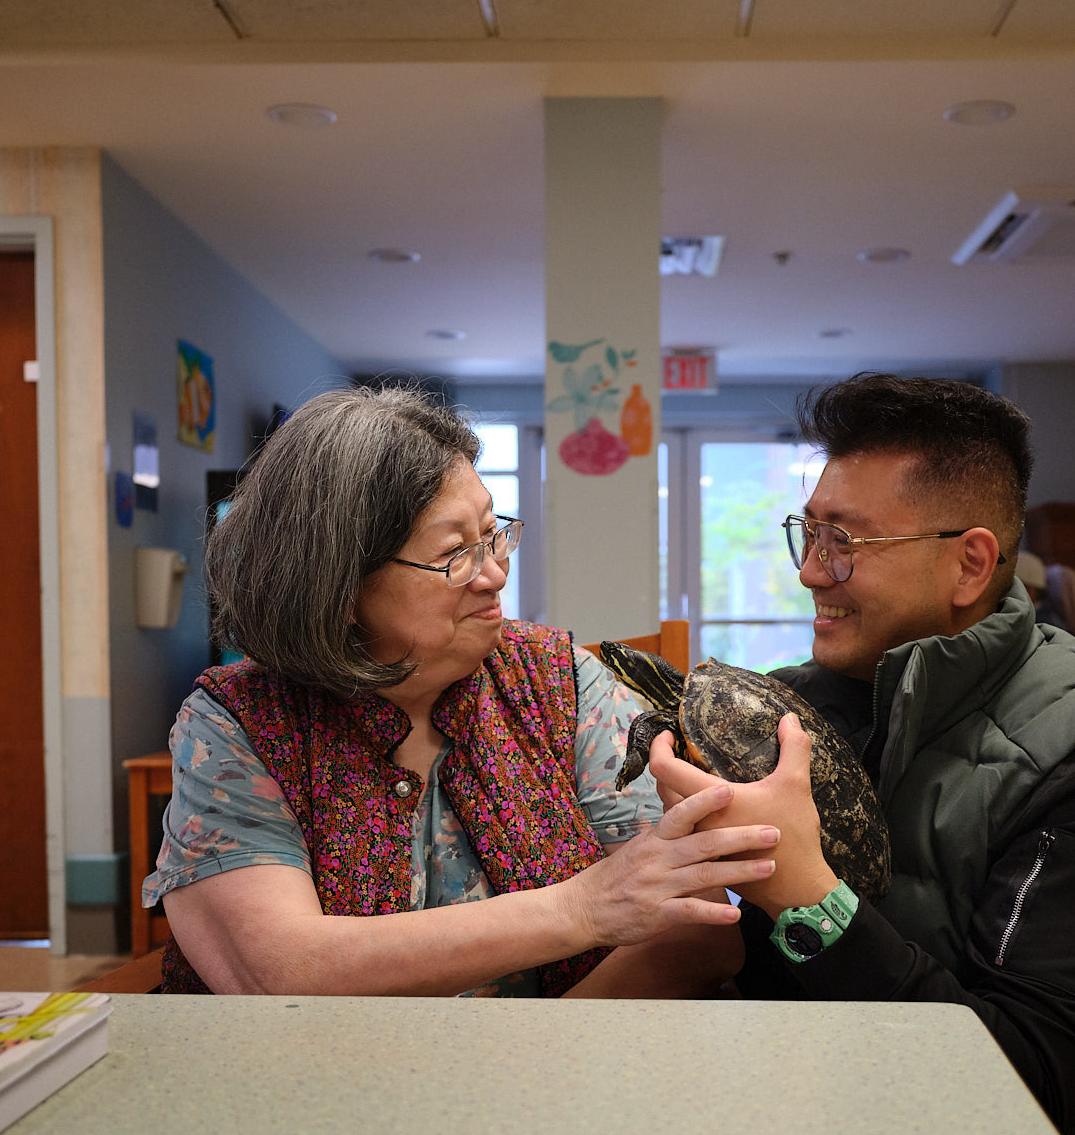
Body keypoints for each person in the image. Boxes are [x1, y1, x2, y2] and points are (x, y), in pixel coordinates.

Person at [648, 374, 1075, 1135]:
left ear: (968, 564)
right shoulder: (807, 707)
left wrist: (805, 896)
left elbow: (1022, 1074)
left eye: (845, 543)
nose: (809, 571)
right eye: (810, 533)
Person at [146, 385, 778, 998]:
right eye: (456, 553)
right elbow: (278, 971)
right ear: (338, 590)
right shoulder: (240, 721)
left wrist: (523, 1070)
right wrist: (584, 908)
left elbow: (695, 936)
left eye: (493, 534)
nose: (496, 573)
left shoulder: (561, 685)